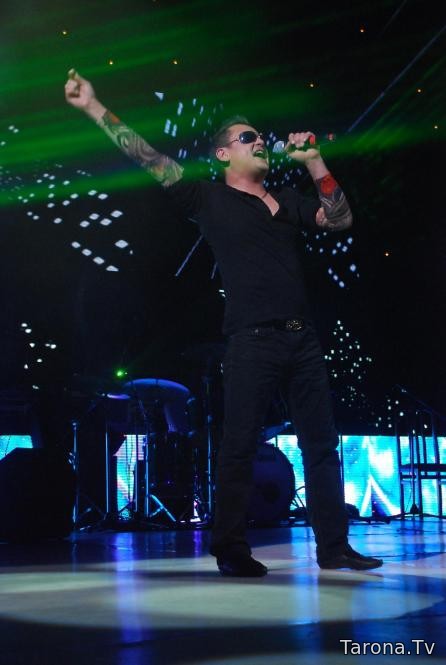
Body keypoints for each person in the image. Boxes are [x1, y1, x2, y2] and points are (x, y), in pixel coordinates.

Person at [65, 69, 383, 576]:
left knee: (322, 446)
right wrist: (94, 107)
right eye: (247, 137)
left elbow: (340, 219)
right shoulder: (208, 198)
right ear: (222, 154)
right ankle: (231, 548)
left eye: (260, 136)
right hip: (252, 340)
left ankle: (334, 547)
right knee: (238, 445)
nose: (259, 142)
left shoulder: (287, 202)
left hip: (302, 338)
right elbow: (149, 158)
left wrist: (314, 161)